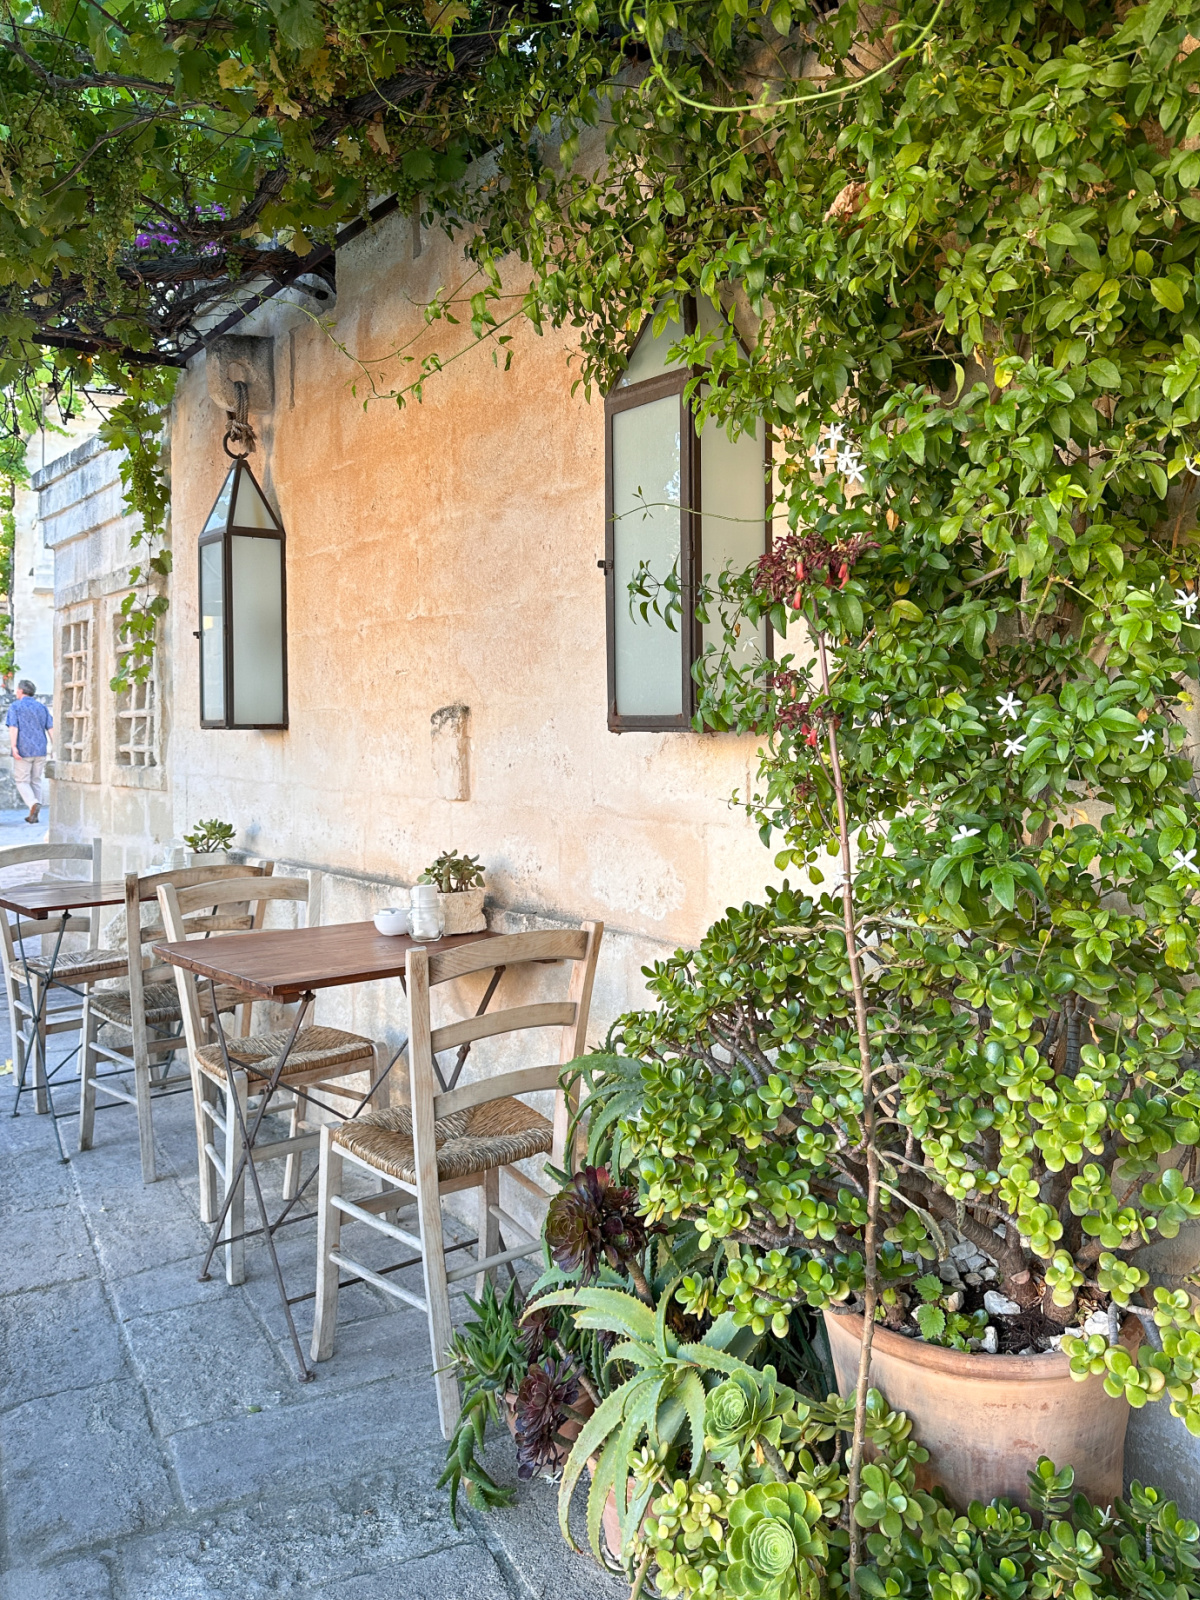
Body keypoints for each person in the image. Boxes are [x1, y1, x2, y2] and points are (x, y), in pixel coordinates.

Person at [7, 680, 53, 823]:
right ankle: (34, 815)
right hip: (40, 749)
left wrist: (14, 746)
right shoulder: (42, 707)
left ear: (21, 691)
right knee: (36, 781)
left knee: (22, 781)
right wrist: (54, 746)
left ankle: (33, 804)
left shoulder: (15, 706)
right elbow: (50, 728)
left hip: (23, 750)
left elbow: (13, 727)